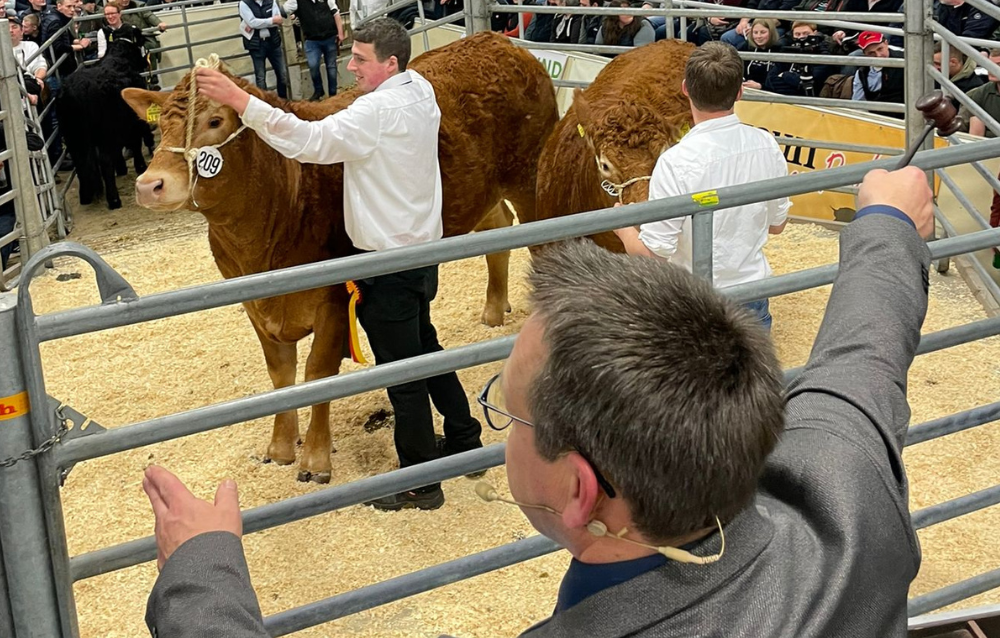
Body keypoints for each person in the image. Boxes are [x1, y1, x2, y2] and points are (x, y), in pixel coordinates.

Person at [141, 82, 938, 638]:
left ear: (578, 488)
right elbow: (866, 350)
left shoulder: (848, 472)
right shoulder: (852, 506)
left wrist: (202, 574)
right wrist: (887, 226)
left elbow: (864, 358)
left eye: (508, 411)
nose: (505, 422)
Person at [192, 17, 482, 511]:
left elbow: (307, 142)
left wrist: (241, 101)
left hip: (384, 259)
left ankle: (419, 482)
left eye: (361, 59)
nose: (350, 66)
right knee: (426, 346)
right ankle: (464, 437)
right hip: (422, 251)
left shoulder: (374, 112)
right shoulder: (421, 91)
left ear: (391, 63)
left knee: (401, 373)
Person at [615, 41, 787, 328]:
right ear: (740, 92)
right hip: (753, 296)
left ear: (686, 89)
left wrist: (622, 225)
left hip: (694, 301)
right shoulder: (766, 145)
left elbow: (654, 255)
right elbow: (777, 225)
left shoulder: (675, 162)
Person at [284, 0, 344, 100]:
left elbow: (336, 13)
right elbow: (284, 10)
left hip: (330, 36)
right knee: (313, 66)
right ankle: (319, 90)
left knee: (332, 67)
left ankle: (333, 94)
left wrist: (340, 32)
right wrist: (292, 16)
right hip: (312, 40)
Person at [238, 0, 287, 98]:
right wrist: (271, 21)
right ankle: (264, 104)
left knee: (282, 74)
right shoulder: (244, 3)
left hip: (273, 42)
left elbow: (278, 19)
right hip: (257, 44)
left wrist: (260, 22)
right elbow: (252, 23)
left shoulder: (271, 0)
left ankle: (283, 101)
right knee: (260, 78)